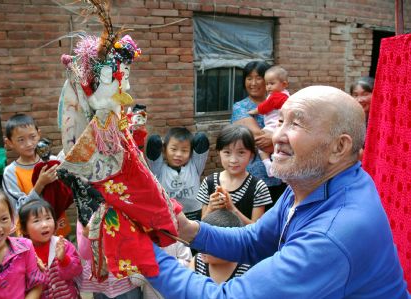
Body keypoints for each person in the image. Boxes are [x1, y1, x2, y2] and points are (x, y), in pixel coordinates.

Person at [145, 86, 409, 298]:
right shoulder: (310, 182)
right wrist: (187, 229)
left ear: (339, 147)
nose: (277, 136)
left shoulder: (334, 232)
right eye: (280, 120)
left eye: (296, 124)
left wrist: (142, 252)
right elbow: (255, 241)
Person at [2, 113, 70, 235]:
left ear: (39, 134)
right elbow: (18, 209)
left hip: (58, 227)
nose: (28, 144)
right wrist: (40, 184)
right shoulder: (10, 172)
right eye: (21, 140)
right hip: (30, 235)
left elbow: (66, 193)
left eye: (32, 137)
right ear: (9, 142)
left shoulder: (52, 162)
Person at [231, 61, 286, 205]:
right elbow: (261, 142)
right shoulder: (241, 108)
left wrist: (274, 139)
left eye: (258, 78)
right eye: (249, 78)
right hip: (256, 177)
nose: (253, 83)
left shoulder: (284, 103)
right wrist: (282, 140)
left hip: (286, 176)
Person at [196, 124, 271, 224]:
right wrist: (211, 208)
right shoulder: (209, 182)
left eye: (241, 152)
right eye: (227, 152)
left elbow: (257, 231)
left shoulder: (258, 187)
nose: (233, 160)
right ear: (219, 153)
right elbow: (202, 225)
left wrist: (232, 209)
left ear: (251, 155)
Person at [18, 199, 82, 299]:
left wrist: (64, 259)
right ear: (24, 229)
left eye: (48, 218)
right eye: (36, 221)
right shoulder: (23, 254)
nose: (45, 224)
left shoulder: (62, 244)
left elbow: (77, 271)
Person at [146, 127, 209, 221]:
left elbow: (201, 138)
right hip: (169, 213)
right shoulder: (158, 168)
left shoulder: (195, 166)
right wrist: (162, 143)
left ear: (191, 152)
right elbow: (153, 141)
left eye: (184, 150)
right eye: (173, 149)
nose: (178, 154)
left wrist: (191, 142)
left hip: (194, 213)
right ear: (164, 150)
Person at [248, 66, 290, 177]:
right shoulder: (286, 95)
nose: (268, 87)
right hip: (281, 126)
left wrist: (254, 111)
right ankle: (282, 171)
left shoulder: (276, 96)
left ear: (284, 84)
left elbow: (264, 107)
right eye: (267, 84)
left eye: (272, 84)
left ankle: (269, 166)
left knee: (262, 149)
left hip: (273, 125)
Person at [190, 209, 250, 284]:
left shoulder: (246, 271)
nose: (202, 248)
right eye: (202, 242)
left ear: (232, 247)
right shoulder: (197, 262)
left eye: (210, 244)